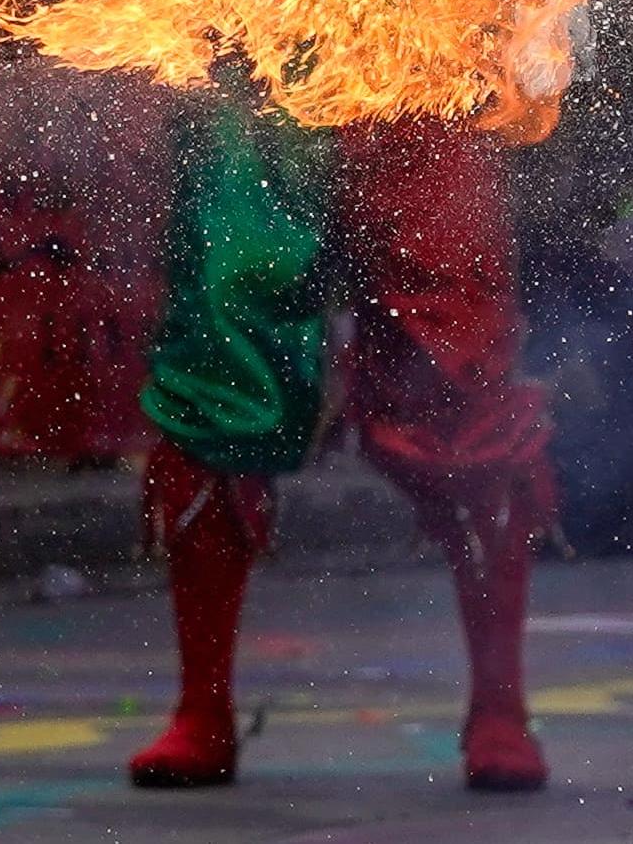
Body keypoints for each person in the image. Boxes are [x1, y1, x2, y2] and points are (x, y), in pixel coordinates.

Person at [126, 88, 554, 791]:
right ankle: (201, 709)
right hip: (252, 78)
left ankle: (499, 707)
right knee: (217, 380)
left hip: (427, 70)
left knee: (464, 398)